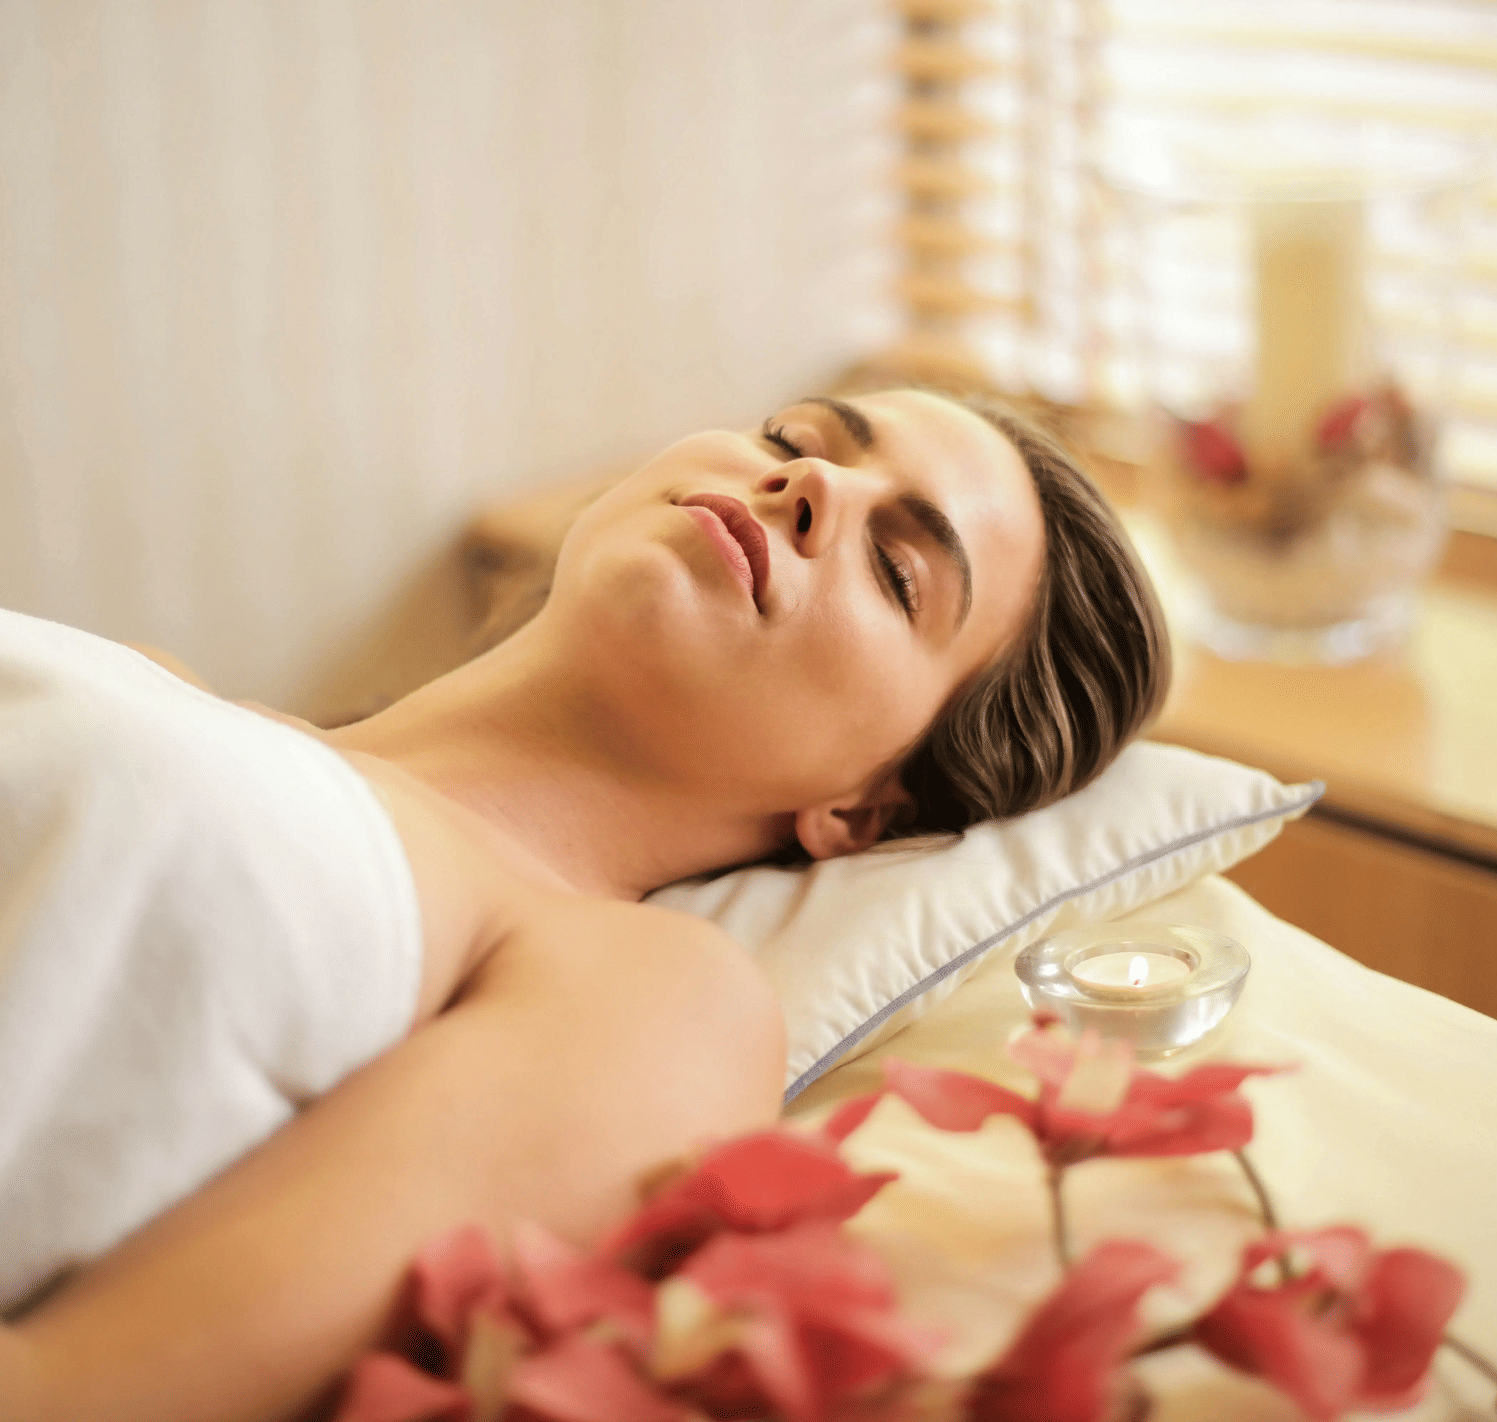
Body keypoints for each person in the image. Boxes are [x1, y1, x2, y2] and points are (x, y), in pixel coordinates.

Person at [0, 386, 1168, 1421]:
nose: (810, 483)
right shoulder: (159, 682)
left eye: (898, 569)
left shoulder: (649, 1000)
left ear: (864, 812)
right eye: (793, 437)